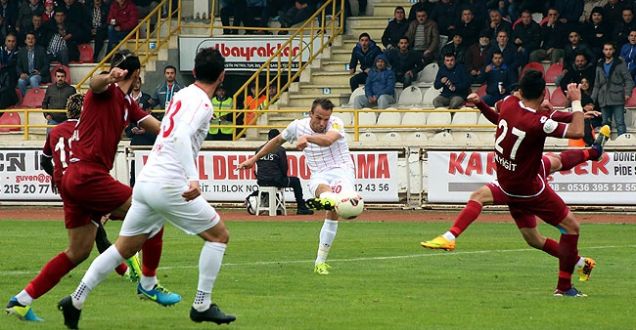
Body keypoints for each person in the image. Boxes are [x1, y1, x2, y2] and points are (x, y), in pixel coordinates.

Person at [58, 47, 236, 329]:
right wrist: (193, 178)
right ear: (222, 76)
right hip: (169, 183)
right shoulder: (203, 104)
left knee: (122, 248)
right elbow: (178, 136)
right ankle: (202, 304)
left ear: (193, 72)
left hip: (146, 181)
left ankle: (76, 299)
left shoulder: (182, 94)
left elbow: (168, 131)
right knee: (218, 236)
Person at [422, 71, 605, 297]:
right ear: (542, 93)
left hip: (508, 181)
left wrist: (481, 105)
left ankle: (450, 236)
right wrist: (576, 101)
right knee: (571, 228)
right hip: (529, 190)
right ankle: (565, 286)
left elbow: (499, 118)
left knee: (530, 229)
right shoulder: (537, 122)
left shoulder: (508, 103)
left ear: (520, 91)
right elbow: (576, 130)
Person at [238, 98, 357, 275]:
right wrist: (254, 159)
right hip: (319, 173)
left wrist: (307, 138)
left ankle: (329, 203)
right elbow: (277, 141)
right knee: (331, 199)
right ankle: (320, 262)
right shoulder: (297, 126)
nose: (322, 122)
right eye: (318, 118)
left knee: (346, 211)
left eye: (326, 118)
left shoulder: (336, 123)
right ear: (310, 113)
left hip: (342, 170)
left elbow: (328, 140)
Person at [248, 128, 314, 215]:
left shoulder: (259, 149)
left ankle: (275, 205)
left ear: (268, 137)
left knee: (271, 182)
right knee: (295, 181)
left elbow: (258, 166)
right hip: (276, 180)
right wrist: (283, 177)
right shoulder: (280, 149)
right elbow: (284, 167)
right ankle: (301, 207)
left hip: (261, 181)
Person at [591, 41, 634, 136]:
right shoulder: (600, 63)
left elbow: (628, 80)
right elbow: (596, 84)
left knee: (620, 123)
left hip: (617, 97)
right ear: (603, 51)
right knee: (605, 124)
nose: (608, 51)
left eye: (610, 49)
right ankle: (604, 145)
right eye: (606, 49)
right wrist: (592, 100)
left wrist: (627, 93)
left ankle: (623, 144)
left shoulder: (620, 62)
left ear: (614, 50)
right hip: (603, 98)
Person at [126, 76, 156, 187]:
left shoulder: (146, 98)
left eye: (138, 82)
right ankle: (133, 187)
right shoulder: (126, 99)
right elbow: (125, 121)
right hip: (135, 141)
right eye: (135, 82)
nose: (136, 84)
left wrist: (146, 129)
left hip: (148, 143)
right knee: (134, 169)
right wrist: (131, 130)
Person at [42, 68, 76, 133]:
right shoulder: (50, 89)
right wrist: (46, 115)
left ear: (65, 77)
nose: (60, 78)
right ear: (55, 77)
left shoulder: (71, 89)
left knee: (67, 140)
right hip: (53, 119)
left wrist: (71, 117)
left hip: (66, 119)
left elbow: (74, 104)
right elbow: (44, 103)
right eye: (58, 76)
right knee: (50, 139)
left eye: (62, 76)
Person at [16, 31, 49, 97]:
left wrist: (39, 72)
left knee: (33, 79)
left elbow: (46, 65)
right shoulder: (21, 51)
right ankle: (26, 99)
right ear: (25, 41)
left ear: (35, 40)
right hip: (27, 75)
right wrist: (21, 74)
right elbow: (18, 66)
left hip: (38, 75)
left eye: (32, 38)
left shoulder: (41, 50)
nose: (30, 40)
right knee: (20, 81)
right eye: (28, 38)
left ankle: (37, 99)